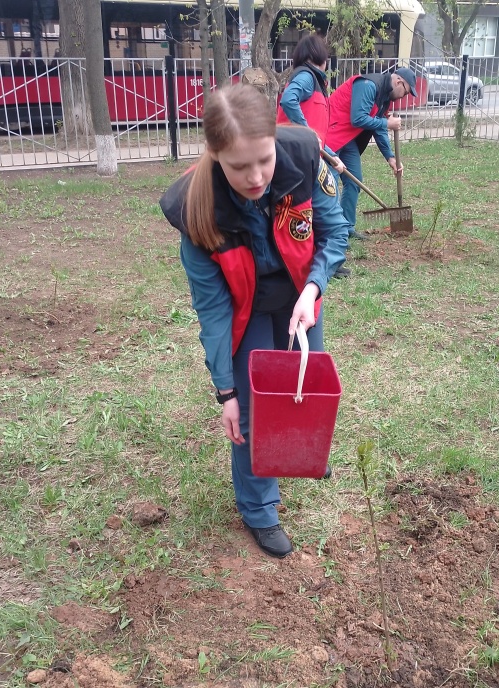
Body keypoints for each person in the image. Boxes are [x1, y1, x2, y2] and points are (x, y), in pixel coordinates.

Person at [160, 84, 350, 559]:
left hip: (299, 295)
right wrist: (226, 393)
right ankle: (259, 508)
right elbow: (213, 310)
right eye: (239, 166)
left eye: (264, 160)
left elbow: (335, 232)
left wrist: (314, 288)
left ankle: (297, 453)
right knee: (251, 408)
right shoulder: (196, 210)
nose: (256, 177)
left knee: (303, 384)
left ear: (275, 140)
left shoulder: (304, 155)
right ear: (215, 155)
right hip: (246, 308)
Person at [277, 34, 353, 277]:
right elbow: (289, 101)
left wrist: (332, 156)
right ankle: (327, 260)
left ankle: (324, 259)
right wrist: (307, 134)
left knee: (318, 208)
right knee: (324, 207)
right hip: (298, 155)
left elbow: (316, 133)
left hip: (310, 154)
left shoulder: (315, 81)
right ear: (319, 56)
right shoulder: (306, 77)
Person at [326, 67, 418, 235]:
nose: (404, 97)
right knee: (329, 184)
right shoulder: (368, 85)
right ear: (399, 82)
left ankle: (346, 229)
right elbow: (358, 118)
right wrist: (387, 123)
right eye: (406, 92)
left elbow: (379, 128)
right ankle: (330, 233)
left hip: (348, 139)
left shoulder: (385, 96)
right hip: (331, 134)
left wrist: (390, 157)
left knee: (354, 181)